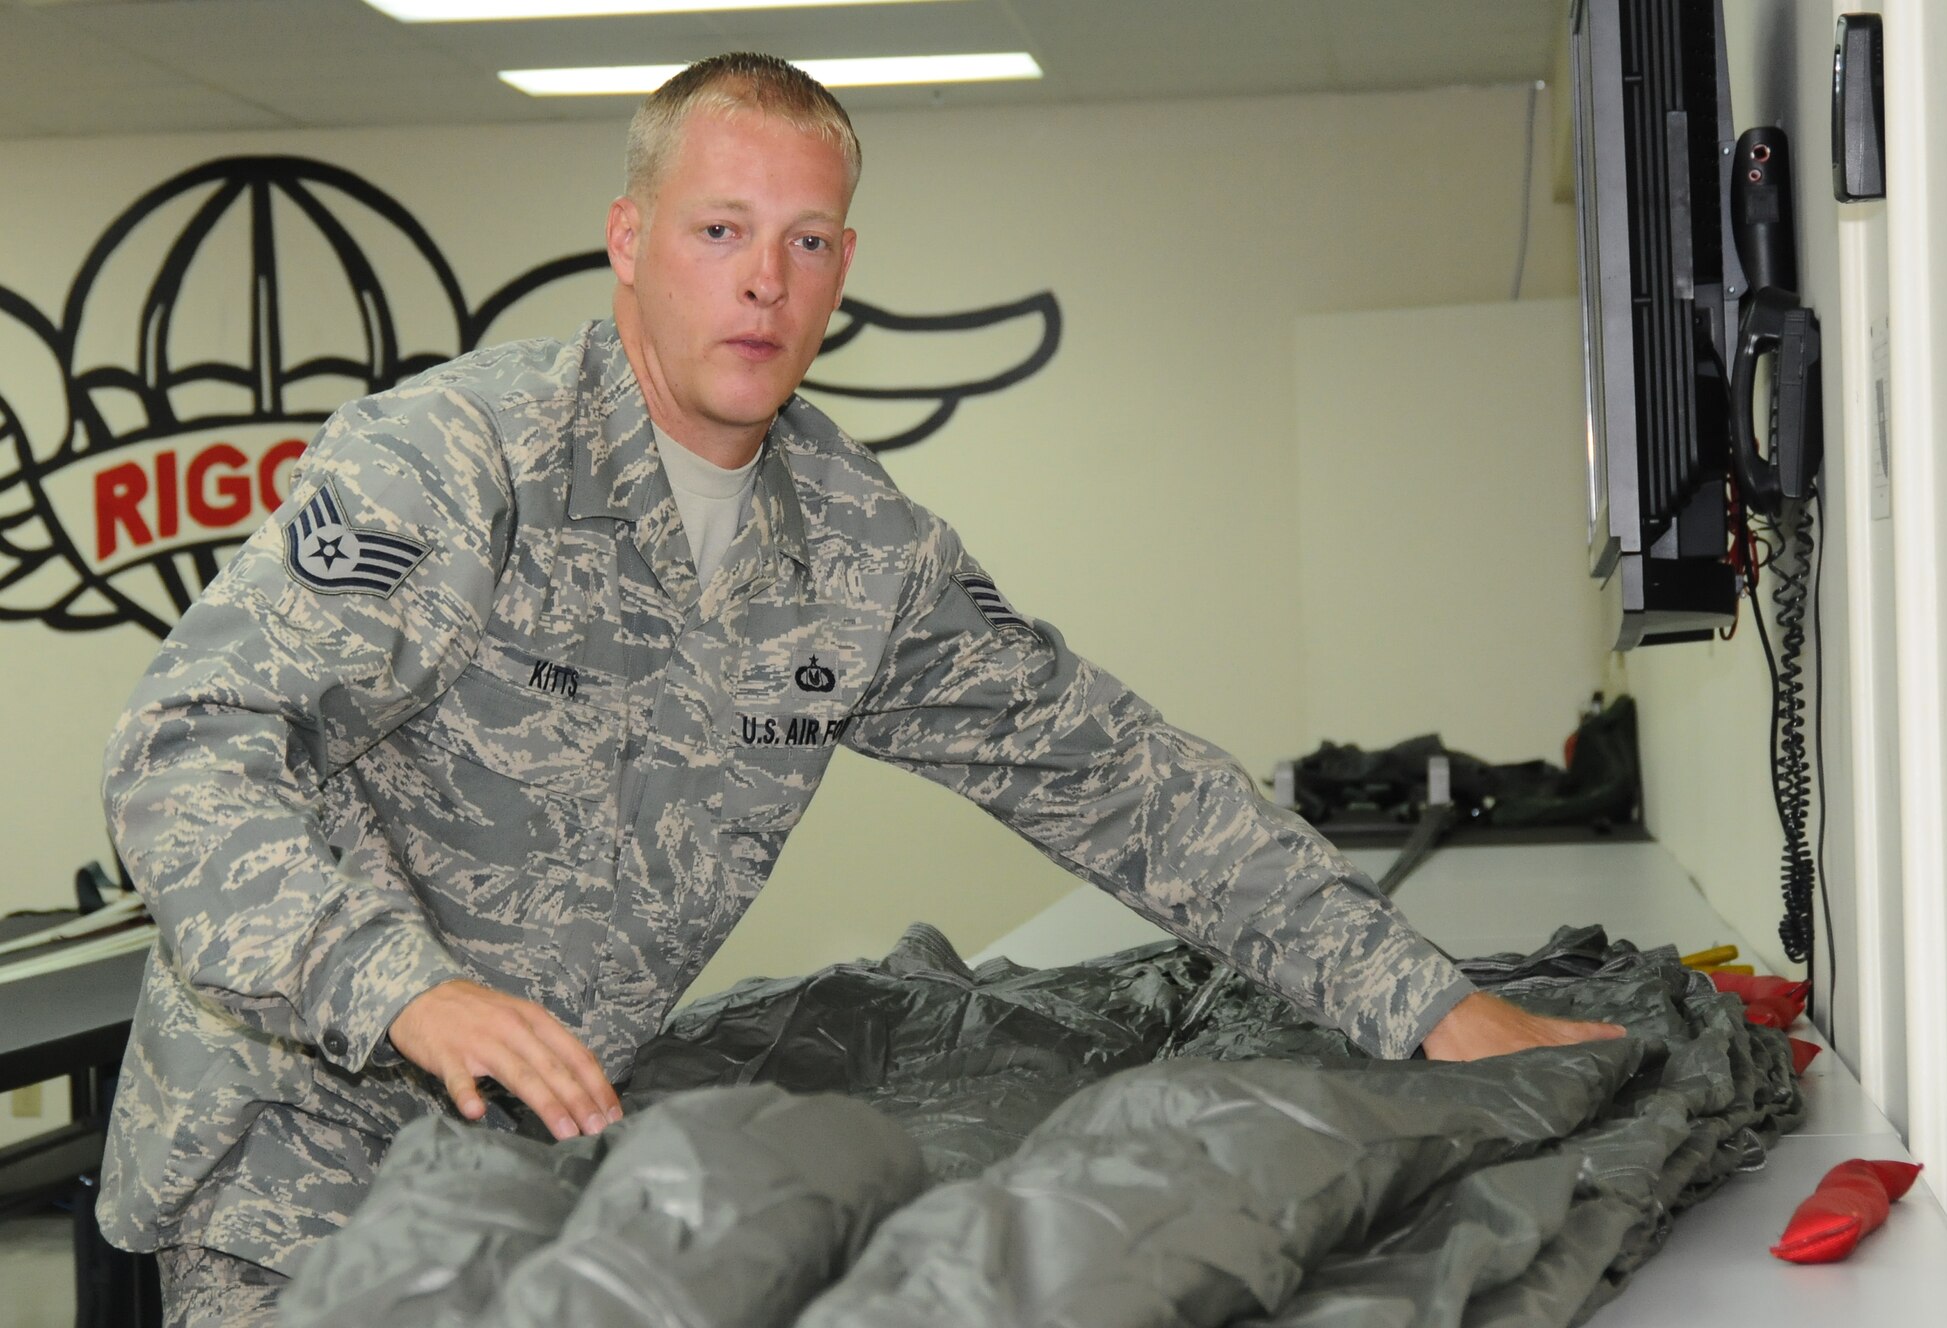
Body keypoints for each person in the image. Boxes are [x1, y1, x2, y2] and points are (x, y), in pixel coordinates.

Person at [98, 52, 1620, 1325]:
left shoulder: (859, 551)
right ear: (628, 239)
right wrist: (404, 989)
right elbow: (188, 753)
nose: (764, 282)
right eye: (719, 232)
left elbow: (1121, 780)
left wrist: (1426, 1006)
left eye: (808, 240)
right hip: (290, 1165)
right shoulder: (457, 460)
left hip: (535, 1176)